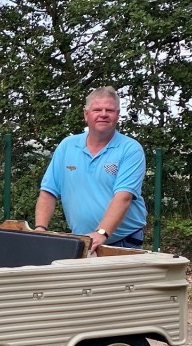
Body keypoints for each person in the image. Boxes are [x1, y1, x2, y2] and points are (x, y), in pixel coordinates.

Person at [35, 86, 148, 250]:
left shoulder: (130, 149)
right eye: (97, 109)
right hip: (82, 241)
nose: (103, 114)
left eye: (109, 110)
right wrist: (40, 229)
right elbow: (48, 192)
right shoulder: (67, 146)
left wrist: (102, 232)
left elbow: (123, 197)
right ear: (86, 114)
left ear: (117, 115)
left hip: (122, 243)